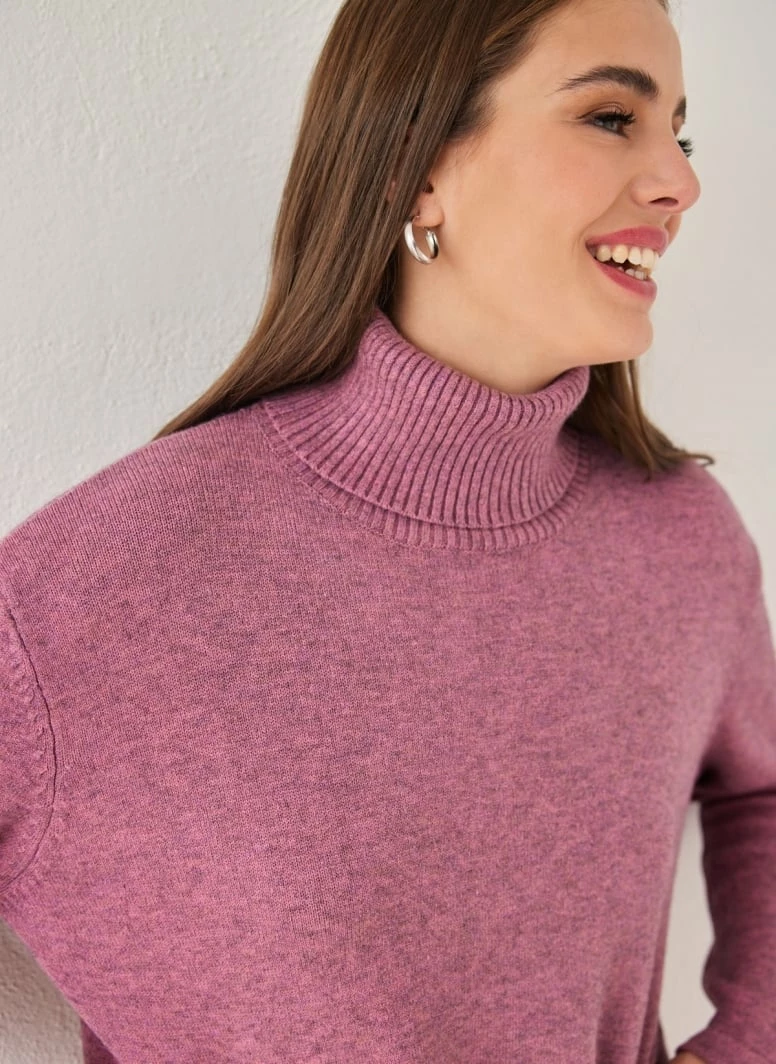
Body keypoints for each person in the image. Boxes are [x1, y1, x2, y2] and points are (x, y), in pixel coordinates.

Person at [1, 0, 773, 1061]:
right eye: (609, 118)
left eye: (678, 135)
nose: (679, 182)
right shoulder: (93, 590)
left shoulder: (679, 544)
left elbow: (761, 787)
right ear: (418, 169)